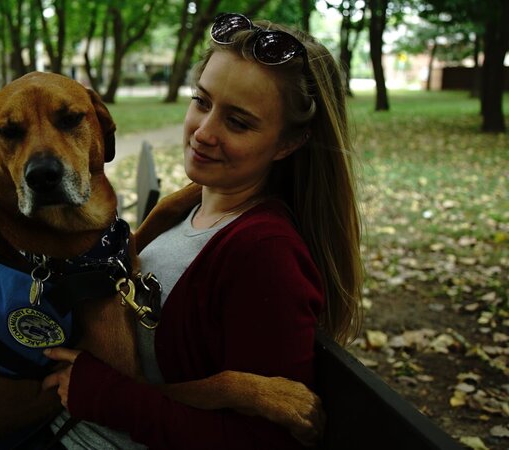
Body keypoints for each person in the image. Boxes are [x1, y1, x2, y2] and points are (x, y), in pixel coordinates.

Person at [42, 12, 363, 449]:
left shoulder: (265, 254)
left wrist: (108, 397)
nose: (204, 132)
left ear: (289, 142)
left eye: (239, 122)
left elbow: (265, 442)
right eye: (202, 101)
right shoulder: (189, 206)